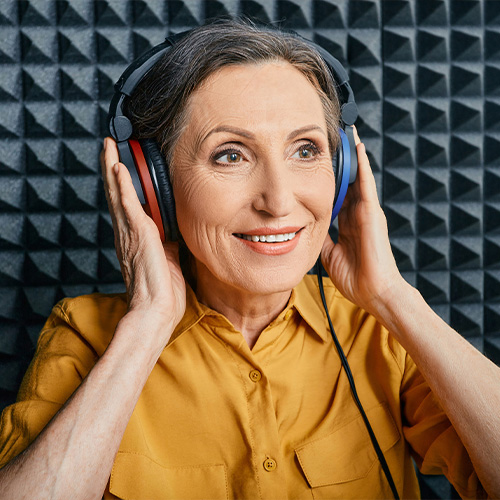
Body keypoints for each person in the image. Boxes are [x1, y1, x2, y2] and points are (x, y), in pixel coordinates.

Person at [0, 18, 499, 500]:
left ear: (343, 170)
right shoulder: (87, 338)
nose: (278, 201)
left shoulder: (381, 334)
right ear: (153, 187)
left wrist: (394, 300)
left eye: (305, 149)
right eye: (231, 155)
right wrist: (147, 325)